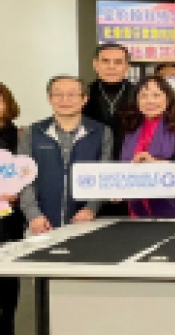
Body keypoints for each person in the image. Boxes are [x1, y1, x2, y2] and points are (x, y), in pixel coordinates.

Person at [18, 75, 110, 233]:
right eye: (58, 94)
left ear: (84, 99)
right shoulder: (31, 132)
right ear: (49, 99)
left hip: (86, 222)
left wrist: (91, 208)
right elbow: (23, 178)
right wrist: (33, 215)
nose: (64, 99)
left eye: (72, 94)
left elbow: (105, 174)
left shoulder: (102, 132)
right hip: (41, 223)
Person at [118, 75, 175, 218]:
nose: (150, 101)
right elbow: (116, 167)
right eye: (144, 96)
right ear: (136, 100)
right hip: (132, 208)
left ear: (168, 99)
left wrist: (158, 165)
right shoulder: (128, 125)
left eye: (156, 95)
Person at [82, 43, 136, 217]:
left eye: (118, 62)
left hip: (130, 172)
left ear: (127, 66)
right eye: (105, 61)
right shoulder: (82, 95)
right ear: (95, 64)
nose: (111, 66)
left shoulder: (140, 95)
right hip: (90, 172)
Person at [0, 83, 23, 334]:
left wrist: (18, 192)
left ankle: (8, 324)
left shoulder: (21, 136)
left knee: (8, 277)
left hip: (9, 218)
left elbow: (28, 173)